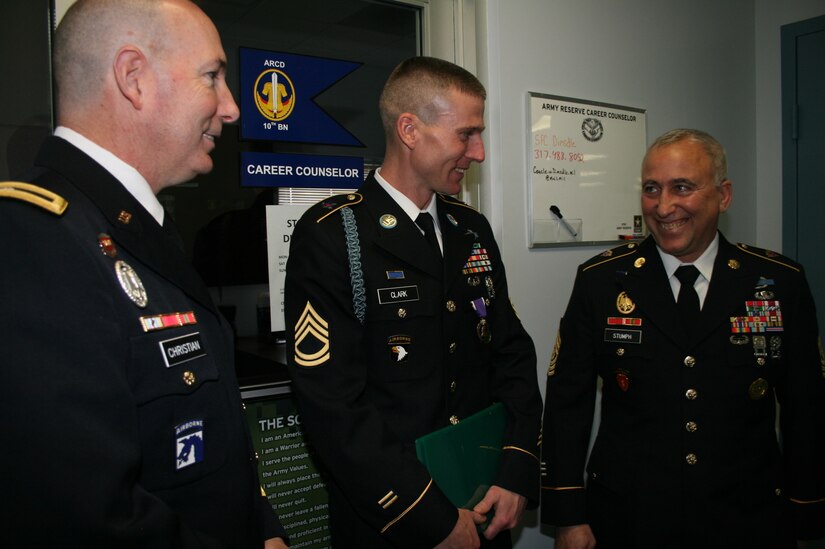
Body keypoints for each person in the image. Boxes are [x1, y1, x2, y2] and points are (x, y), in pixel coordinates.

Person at [0, 1, 288, 547]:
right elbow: (83, 517)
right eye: (213, 76)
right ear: (133, 78)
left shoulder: (136, 228)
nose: (231, 108)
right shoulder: (32, 241)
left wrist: (262, 527)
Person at [284, 56, 543, 548]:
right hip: (395, 519)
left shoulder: (472, 230)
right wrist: (431, 516)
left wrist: (516, 469)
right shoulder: (334, 235)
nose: (479, 152)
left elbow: (511, 353)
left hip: (483, 500)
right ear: (409, 129)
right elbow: (332, 405)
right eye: (466, 134)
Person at [540, 128, 825, 549]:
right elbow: (567, 404)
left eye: (682, 188)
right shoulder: (601, 282)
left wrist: (807, 508)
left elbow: (807, 407)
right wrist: (567, 515)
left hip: (747, 518)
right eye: (652, 189)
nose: (664, 206)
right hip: (629, 517)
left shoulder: (779, 283)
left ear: (723, 195)